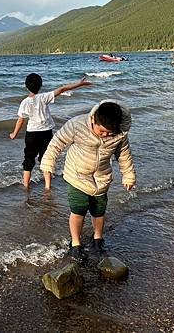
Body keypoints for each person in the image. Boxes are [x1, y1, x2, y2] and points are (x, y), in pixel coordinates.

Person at [40, 100, 136, 262]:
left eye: (109, 133)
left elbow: (124, 155)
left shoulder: (119, 134)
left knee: (99, 210)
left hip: (101, 178)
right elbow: (57, 143)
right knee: (78, 210)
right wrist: (48, 163)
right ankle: (76, 243)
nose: (105, 135)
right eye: (102, 131)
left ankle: (97, 238)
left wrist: (129, 175)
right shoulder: (77, 125)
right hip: (76, 175)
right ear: (93, 120)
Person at [9, 73, 92, 190]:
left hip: (32, 134)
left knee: (28, 159)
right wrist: (80, 84)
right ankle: (47, 186)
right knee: (46, 158)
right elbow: (62, 89)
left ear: (26, 86)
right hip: (46, 132)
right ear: (40, 85)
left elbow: (20, 121)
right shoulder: (44, 97)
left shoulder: (25, 102)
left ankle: (26, 185)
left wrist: (14, 134)